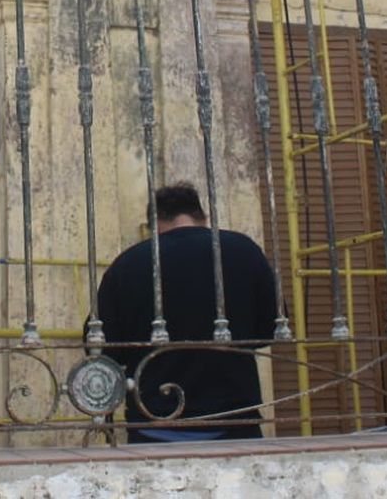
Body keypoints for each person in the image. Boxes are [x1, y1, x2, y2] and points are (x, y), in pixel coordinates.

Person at [93, 183, 278, 443]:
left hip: (155, 424)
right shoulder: (244, 251)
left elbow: (101, 346)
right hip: (234, 421)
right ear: (205, 218)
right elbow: (272, 328)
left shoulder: (128, 263)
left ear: (153, 226)